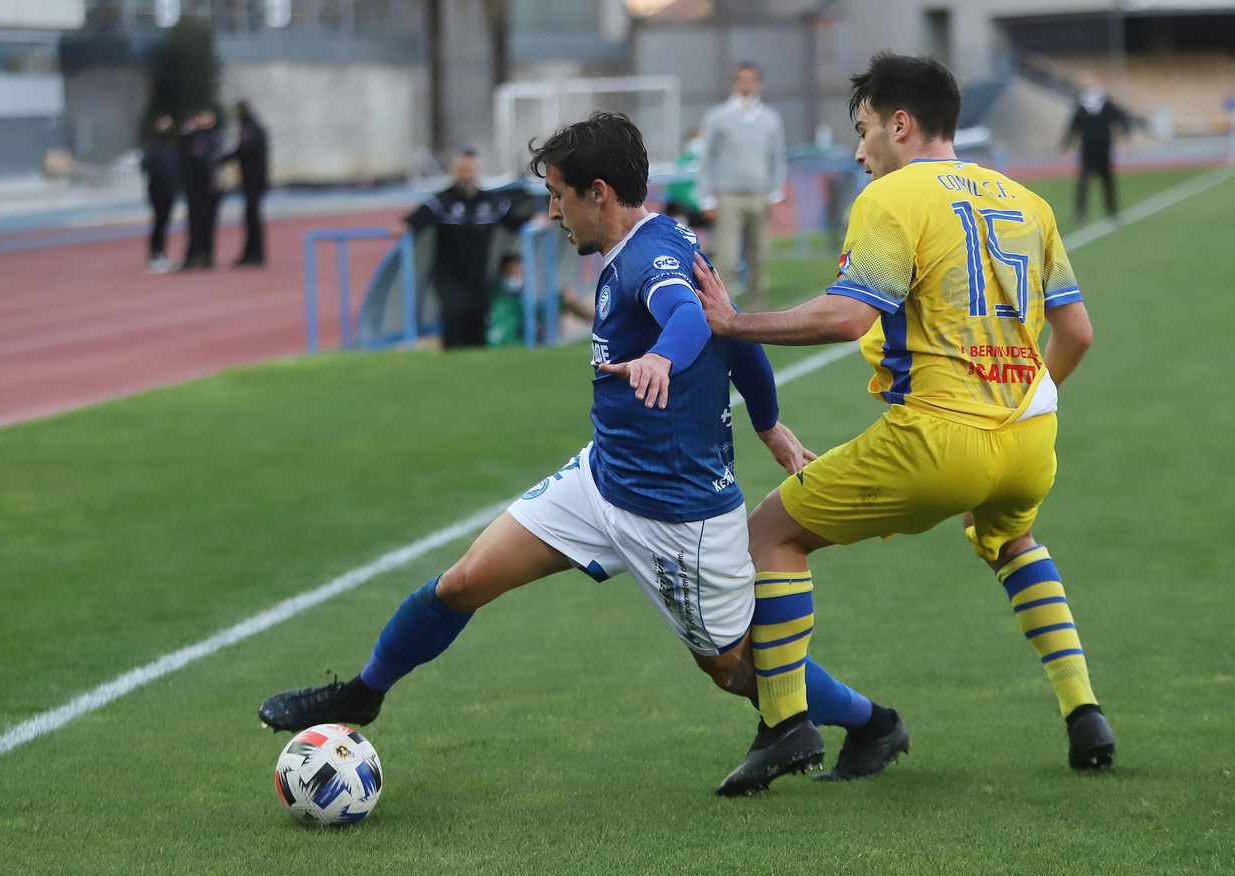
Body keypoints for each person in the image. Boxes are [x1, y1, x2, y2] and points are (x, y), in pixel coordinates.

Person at [256, 112, 896, 797]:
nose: (554, 212)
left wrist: (660, 357)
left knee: (738, 670)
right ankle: (362, 694)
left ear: (599, 192)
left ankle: (871, 721)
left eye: (560, 195)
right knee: (464, 580)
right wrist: (768, 425)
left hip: (678, 515)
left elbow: (688, 318)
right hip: (603, 479)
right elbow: (733, 333)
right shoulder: (653, 244)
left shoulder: (652, 259)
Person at [692, 52, 1114, 793]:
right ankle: (1085, 711)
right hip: (1029, 438)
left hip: (938, 437)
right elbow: (1076, 333)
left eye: (863, 131)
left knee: (772, 534)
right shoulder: (1027, 201)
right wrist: (1020, 399)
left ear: (901, 124)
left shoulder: (893, 197)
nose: (858, 151)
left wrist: (734, 321)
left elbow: (848, 313)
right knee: (1010, 537)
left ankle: (786, 722)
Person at [401, 151, 532, 349]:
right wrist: (404, 226)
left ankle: (477, 363)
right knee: (455, 311)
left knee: (478, 315)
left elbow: (513, 221)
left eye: (470, 170)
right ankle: (451, 359)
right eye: (461, 170)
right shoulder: (442, 201)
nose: (466, 174)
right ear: (453, 172)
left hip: (478, 275)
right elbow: (416, 220)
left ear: (478, 172)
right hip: (448, 274)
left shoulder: (491, 201)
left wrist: (534, 221)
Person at [699, 63, 787, 311]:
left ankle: (755, 315)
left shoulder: (771, 118)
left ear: (758, 83)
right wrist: (707, 198)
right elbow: (707, 159)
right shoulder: (718, 117)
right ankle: (725, 313)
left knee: (759, 259)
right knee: (726, 259)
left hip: (760, 195)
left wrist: (776, 194)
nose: (746, 85)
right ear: (735, 83)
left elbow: (777, 157)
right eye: (742, 80)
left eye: (751, 80)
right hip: (729, 196)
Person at [1063, 73, 1130, 225]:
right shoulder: (1082, 105)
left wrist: (1124, 137)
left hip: (1104, 149)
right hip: (1087, 150)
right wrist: (1067, 144)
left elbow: (1120, 119)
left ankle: (1112, 211)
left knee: (1108, 182)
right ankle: (1081, 213)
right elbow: (1074, 126)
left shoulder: (1105, 103)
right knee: (1083, 182)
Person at [224, 100, 269, 267]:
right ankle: (252, 252)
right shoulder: (255, 127)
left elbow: (243, 151)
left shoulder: (250, 129)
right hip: (254, 179)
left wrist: (222, 159)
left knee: (252, 218)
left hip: (252, 180)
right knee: (252, 217)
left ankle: (254, 254)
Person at [178, 108, 224, 269]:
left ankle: (206, 255)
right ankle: (194, 255)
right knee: (195, 221)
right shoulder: (192, 138)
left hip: (210, 187)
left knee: (208, 222)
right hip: (196, 187)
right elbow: (187, 156)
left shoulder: (216, 137)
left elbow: (219, 160)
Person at [140, 114, 180, 273]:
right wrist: (160, 176)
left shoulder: (172, 146)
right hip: (157, 189)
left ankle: (161, 253)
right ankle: (155, 255)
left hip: (170, 189)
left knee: (164, 222)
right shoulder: (153, 146)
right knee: (159, 222)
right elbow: (146, 166)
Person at [662, 127, 707, 228]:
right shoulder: (681, 161)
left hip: (706, 207)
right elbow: (675, 190)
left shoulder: (709, 160)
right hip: (685, 207)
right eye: (694, 139)